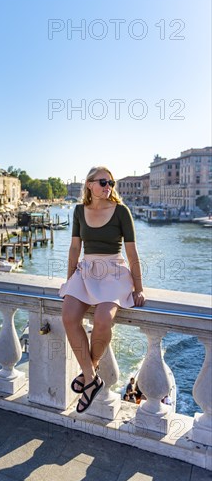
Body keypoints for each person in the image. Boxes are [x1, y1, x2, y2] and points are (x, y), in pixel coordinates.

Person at [61, 166, 145, 413]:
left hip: (114, 272)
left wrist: (138, 288)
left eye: (111, 183)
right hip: (86, 270)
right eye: (103, 182)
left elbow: (131, 252)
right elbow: (75, 249)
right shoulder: (78, 211)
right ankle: (91, 377)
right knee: (68, 317)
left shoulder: (121, 212)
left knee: (102, 320)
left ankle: (90, 372)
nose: (108, 187)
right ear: (89, 184)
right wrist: (69, 281)